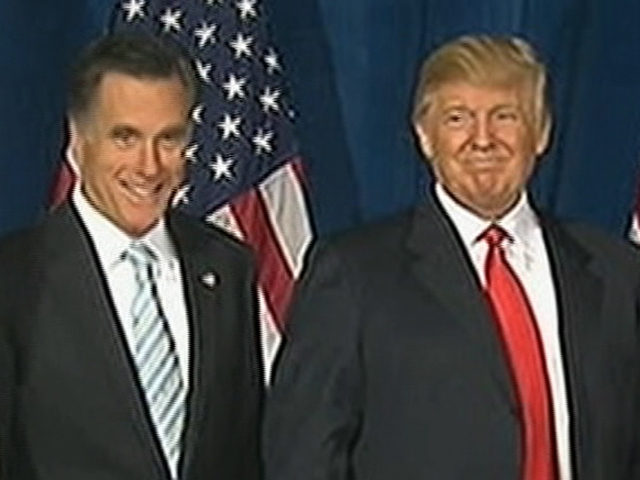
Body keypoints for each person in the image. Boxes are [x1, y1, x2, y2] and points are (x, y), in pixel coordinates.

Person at [263, 34, 640, 480]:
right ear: (425, 137)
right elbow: (303, 456)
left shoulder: (615, 270)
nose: (483, 140)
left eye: (505, 116)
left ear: (541, 133)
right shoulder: (353, 274)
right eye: (458, 118)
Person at [0, 32, 263, 480]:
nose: (148, 166)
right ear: (78, 140)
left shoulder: (226, 265)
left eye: (168, 139)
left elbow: (243, 452)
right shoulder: (14, 280)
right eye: (125, 138)